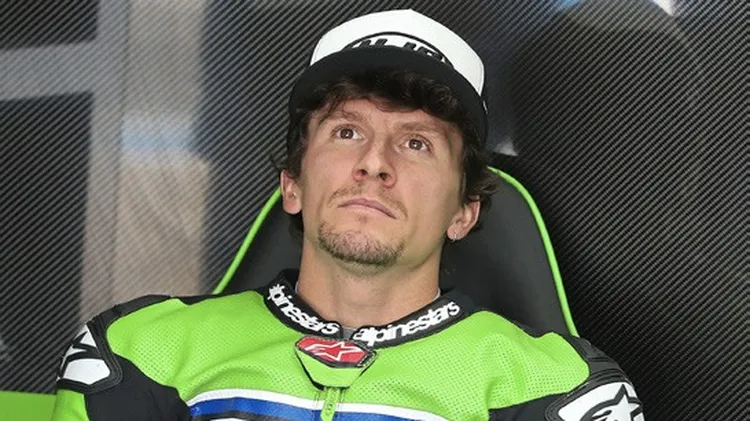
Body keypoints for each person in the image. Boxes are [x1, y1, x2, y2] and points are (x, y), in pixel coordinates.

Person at [51, 9, 644, 421]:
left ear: (464, 211)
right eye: (347, 132)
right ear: (292, 184)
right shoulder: (136, 351)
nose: (374, 164)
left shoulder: (561, 390)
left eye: (416, 143)